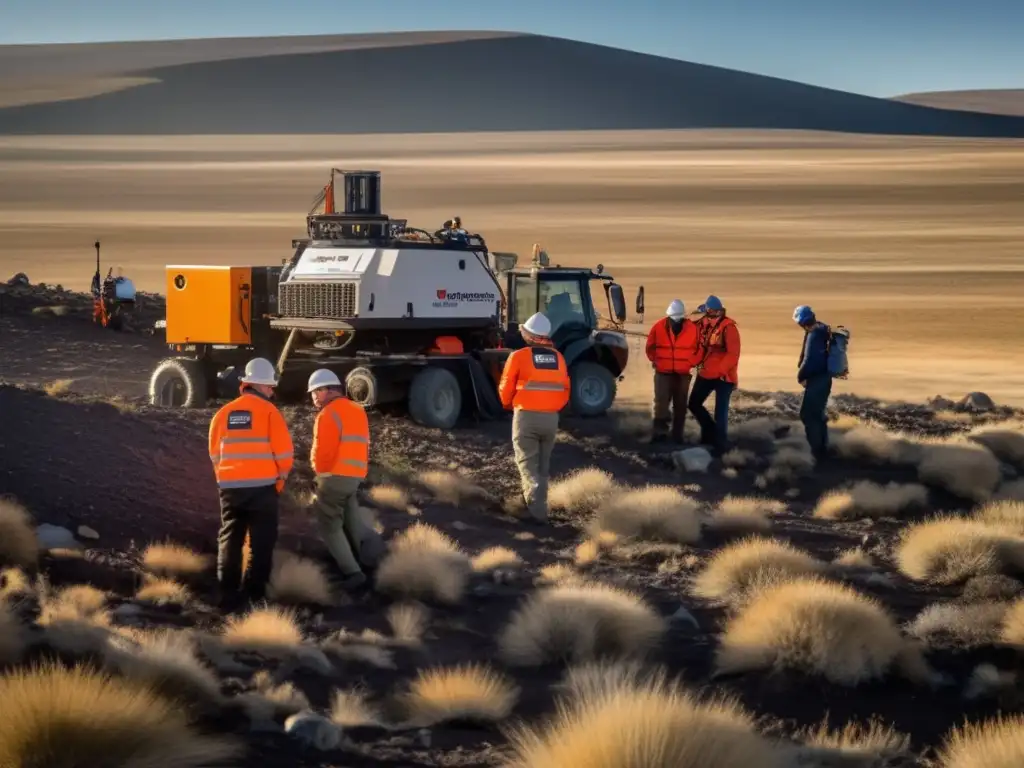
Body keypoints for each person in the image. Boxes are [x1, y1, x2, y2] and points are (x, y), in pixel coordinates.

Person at [208, 357, 294, 610]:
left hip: (230, 489)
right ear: (258, 385)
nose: (272, 391)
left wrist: (225, 479)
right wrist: (279, 482)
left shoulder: (222, 414)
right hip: (263, 490)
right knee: (261, 543)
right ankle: (253, 598)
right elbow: (285, 456)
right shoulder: (270, 413)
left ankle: (227, 595)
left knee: (230, 539)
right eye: (270, 386)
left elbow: (215, 455)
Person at [307, 368, 386, 589]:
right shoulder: (356, 410)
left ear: (327, 390)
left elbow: (323, 452)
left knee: (330, 525)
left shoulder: (327, 414)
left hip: (333, 476)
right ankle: (365, 559)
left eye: (315, 391)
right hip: (355, 476)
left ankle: (352, 573)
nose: (313, 397)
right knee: (351, 520)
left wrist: (319, 474)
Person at [498, 312, 571, 523]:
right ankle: (532, 505)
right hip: (551, 419)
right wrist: (552, 406)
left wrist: (506, 404)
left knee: (528, 466)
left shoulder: (519, 356)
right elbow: (566, 389)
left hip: (526, 418)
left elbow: (506, 386)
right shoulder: (559, 357)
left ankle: (537, 515)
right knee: (542, 467)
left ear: (528, 335)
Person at [688, 295, 741, 456]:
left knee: (721, 412)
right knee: (694, 404)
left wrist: (720, 371)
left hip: (723, 377)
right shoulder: (703, 323)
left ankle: (720, 445)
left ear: (714, 311)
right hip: (705, 372)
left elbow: (733, 354)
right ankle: (709, 432)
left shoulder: (729, 328)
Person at [645, 299, 702, 444]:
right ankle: (659, 435)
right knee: (661, 404)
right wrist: (655, 360)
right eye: (673, 318)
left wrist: (691, 362)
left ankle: (677, 436)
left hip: (682, 373)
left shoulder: (692, 329)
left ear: (683, 317)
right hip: (663, 372)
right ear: (669, 316)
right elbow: (650, 346)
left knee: (680, 405)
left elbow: (700, 348)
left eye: (678, 318)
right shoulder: (658, 327)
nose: (675, 321)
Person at [794, 304, 832, 461]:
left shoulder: (814, 335)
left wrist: (800, 376)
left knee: (808, 415)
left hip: (817, 379)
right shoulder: (821, 329)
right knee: (818, 414)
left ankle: (817, 452)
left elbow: (810, 360)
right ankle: (823, 447)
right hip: (824, 378)